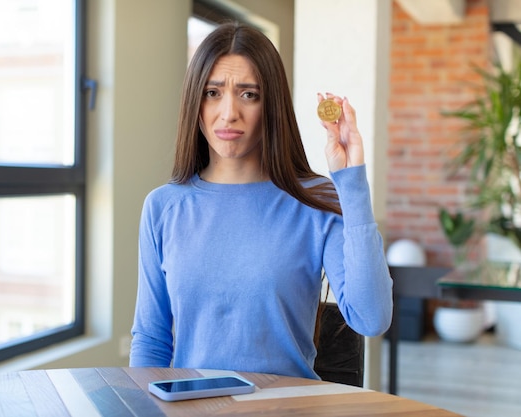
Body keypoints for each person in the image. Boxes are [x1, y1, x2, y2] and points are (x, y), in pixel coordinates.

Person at [129, 22, 393, 380]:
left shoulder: (315, 200)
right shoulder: (162, 207)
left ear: (271, 105)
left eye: (249, 94)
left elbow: (372, 317)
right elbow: (151, 339)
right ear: (195, 100)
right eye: (213, 92)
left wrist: (352, 183)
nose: (228, 113)